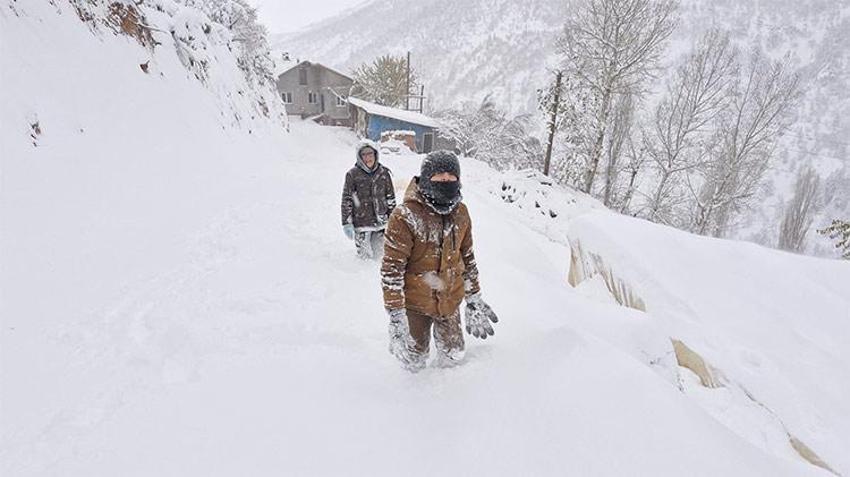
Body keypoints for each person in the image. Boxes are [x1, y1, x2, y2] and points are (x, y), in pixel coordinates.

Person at [380, 150, 499, 372]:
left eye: (451, 176)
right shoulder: (405, 216)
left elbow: (468, 258)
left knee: (454, 360)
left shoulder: (461, 212)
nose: (445, 180)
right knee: (413, 362)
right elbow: (391, 270)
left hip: (450, 301)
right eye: (439, 175)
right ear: (426, 178)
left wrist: (473, 297)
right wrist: (396, 316)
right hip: (415, 305)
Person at [341, 141, 396, 259]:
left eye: (370, 154)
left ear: (375, 154)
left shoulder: (384, 173)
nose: (368, 158)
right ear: (359, 157)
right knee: (364, 260)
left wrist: (393, 219)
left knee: (380, 258)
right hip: (362, 224)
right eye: (364, 155)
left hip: (381, 223)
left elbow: (390, 198)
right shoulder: (352, 174)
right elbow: (347, 199)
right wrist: (346, 222)